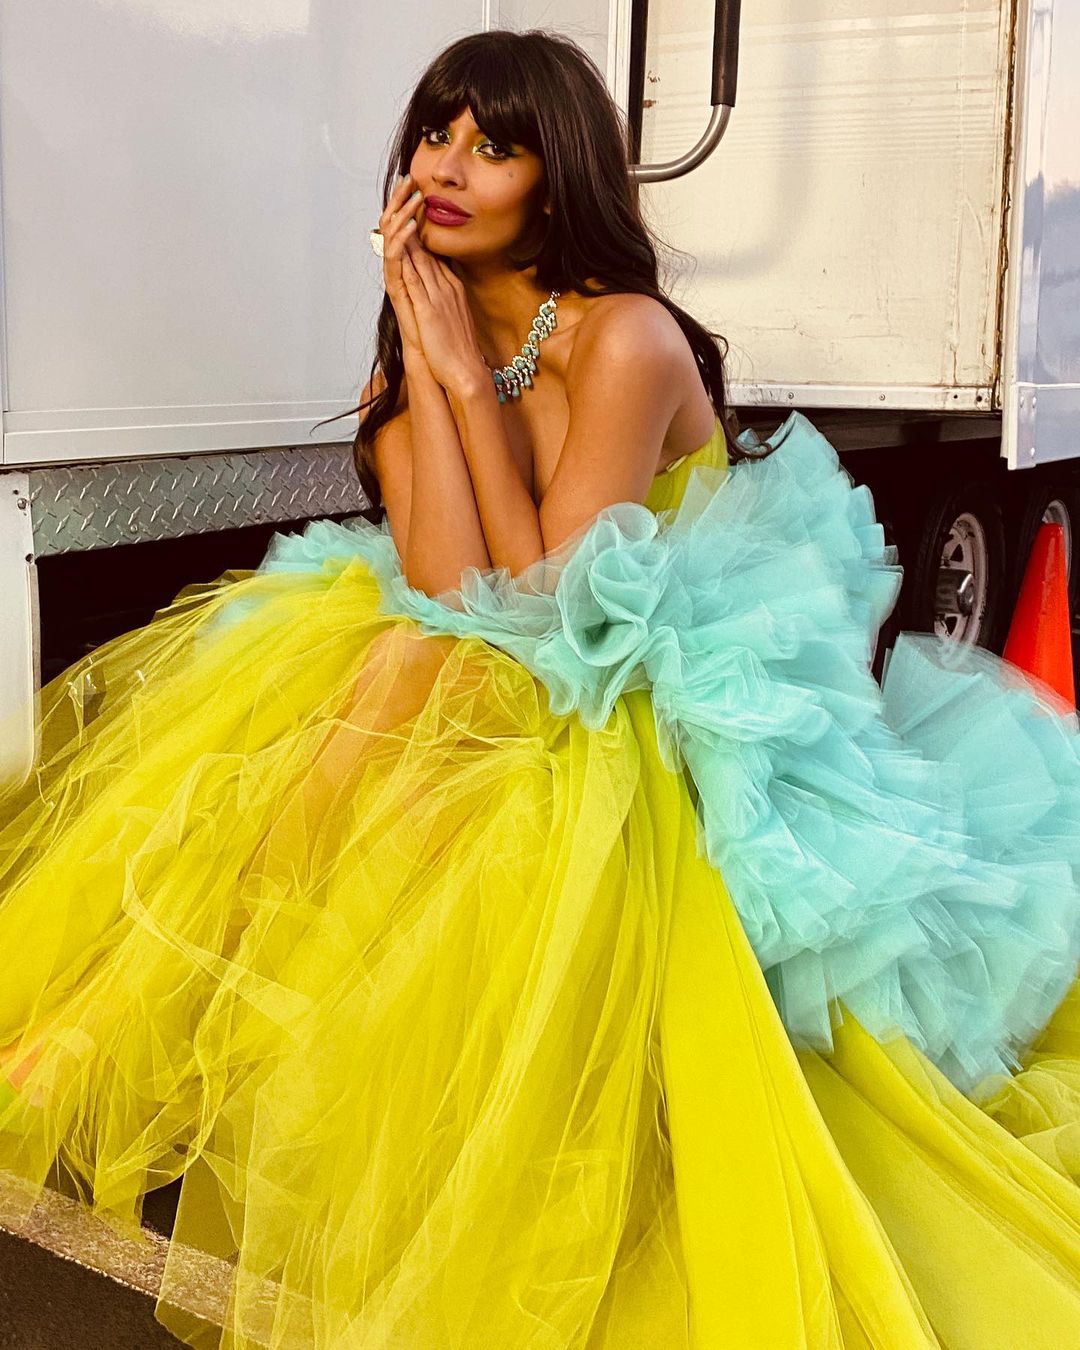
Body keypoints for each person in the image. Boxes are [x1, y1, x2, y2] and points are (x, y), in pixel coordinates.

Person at [2, 26, 1080, 1349]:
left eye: (496, 146)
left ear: (557, 180)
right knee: (379, 662)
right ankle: (189, 1016)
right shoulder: (419, 359)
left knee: (424, 689)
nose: (448, 167)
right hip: (514, 655)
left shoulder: (625, 339)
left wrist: (465, 376)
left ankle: (184, 1018)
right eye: (436, 134)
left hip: (675, 686)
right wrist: (429, 372)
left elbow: (553, 604)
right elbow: (453, 593)